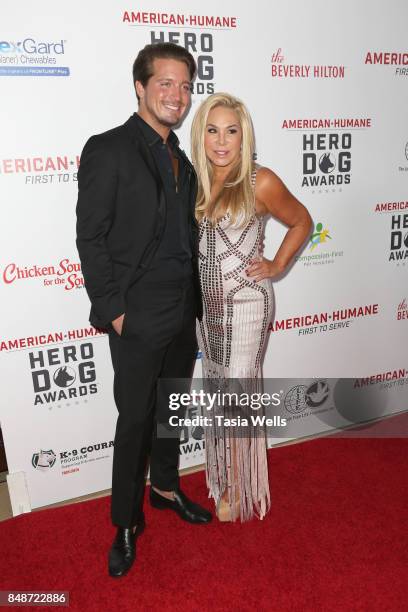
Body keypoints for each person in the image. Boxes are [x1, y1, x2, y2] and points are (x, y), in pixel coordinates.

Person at [76, 43, 212, 578]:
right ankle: (125, 523)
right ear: (140, 86)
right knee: (134, 421)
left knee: (170, 408)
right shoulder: (108, 149)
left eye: (184, 85)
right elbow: (91, 237)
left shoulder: (184, 156)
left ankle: (165, 488)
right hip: (136, 313)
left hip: (183, 309)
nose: (176, 95)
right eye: (165, 83)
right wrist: (114, 311)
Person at [191, 93, 312, 522]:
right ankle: (223, 475)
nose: (221, 141)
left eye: (231, 131)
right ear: (200, 134)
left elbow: (302, 221)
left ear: (244, 138)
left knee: (238, 394)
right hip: (207, 311)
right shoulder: (194, 179)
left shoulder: (261, 181)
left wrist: (277, 264)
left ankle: (240, 487)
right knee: (218, 391)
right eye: (212, 130)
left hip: (247, 305)